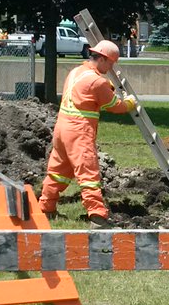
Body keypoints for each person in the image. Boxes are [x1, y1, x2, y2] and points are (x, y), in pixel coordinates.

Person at [38, 39, 137, 226]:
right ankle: (97, 216)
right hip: (79, 131)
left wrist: (106, 87)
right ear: (104, 59)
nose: (112, 68)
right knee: (88, 173)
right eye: (111, 63)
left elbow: (90, 93)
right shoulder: (96, 81)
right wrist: (129, 103)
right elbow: (115, 106)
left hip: (62, 129)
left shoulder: (77, 72)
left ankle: (46, 208)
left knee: (57, 171)